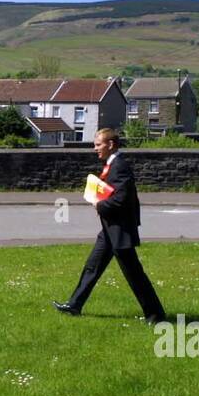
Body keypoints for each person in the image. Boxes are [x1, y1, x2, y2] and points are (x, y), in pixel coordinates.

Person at [54, 127, 166, 323]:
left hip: (120, 230)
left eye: (98, 145)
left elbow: (121, 199)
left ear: (111, 144)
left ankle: (156, 316)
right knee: (92, 266)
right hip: (109, 230)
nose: (95, 148)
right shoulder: (112, 164)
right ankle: (74, 305)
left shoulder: (119, 166)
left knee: (135, 276)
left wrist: (99, 204)